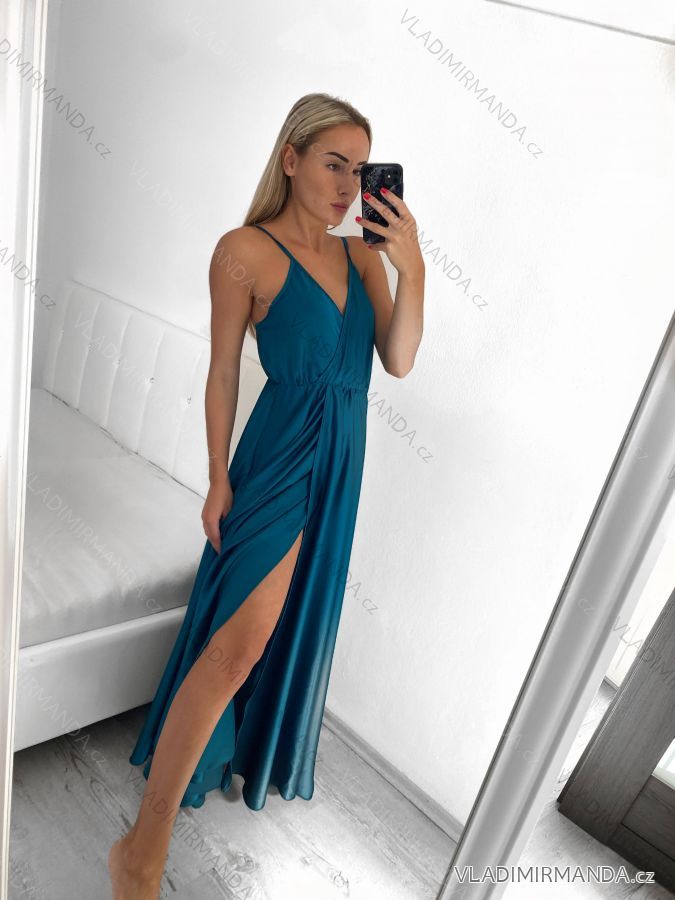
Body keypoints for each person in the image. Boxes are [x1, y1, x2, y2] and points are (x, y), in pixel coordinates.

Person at [108, 91, 425, 899]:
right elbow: (222, 372)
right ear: (290, 158)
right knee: (234, 649)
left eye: (360, 170)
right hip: (277, 459)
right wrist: (218, 476)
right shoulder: (243, 251)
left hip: (341, 464)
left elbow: (396, 360)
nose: (348, 185)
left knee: (271, 638)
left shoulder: (363, 257)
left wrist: (412, 267)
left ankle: (197, 789)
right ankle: (141, 849)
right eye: (333, 164)